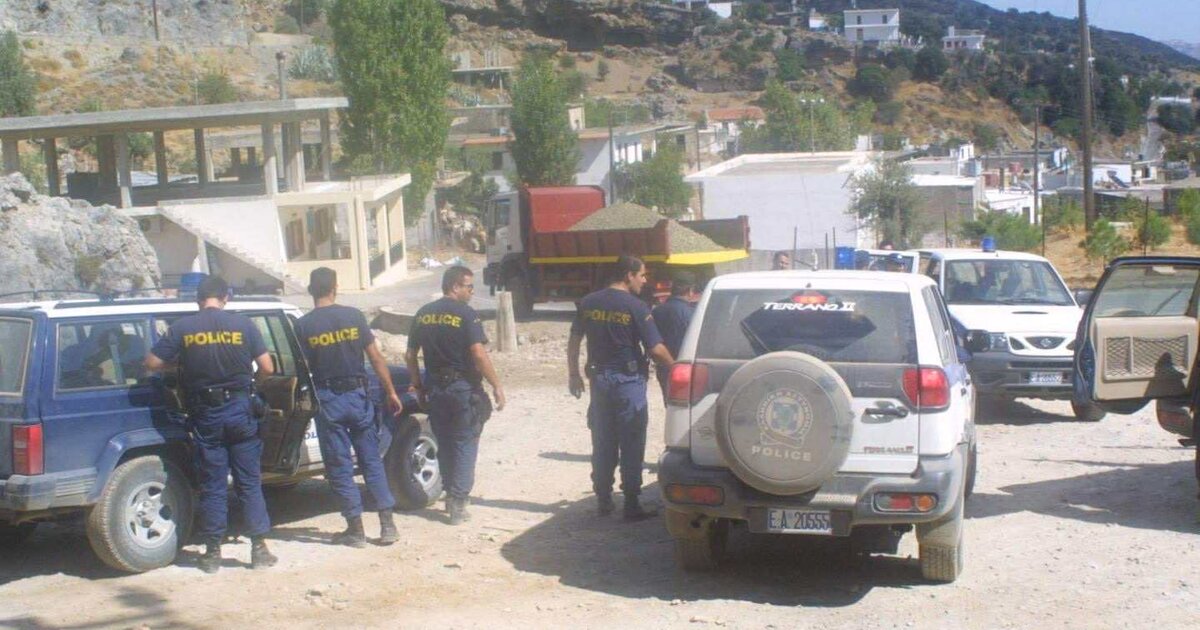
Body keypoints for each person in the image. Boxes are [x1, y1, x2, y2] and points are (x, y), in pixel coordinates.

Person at [144, 276, 278, 573]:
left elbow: (151, 363)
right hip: (240, 410)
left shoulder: (183, 328)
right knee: (249, 481)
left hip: (206, 414)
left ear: (198, 299)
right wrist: (253, 385)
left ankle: (212, 553)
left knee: (213, 484)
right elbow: (268, 367)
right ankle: (259, 549)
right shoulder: (243, 325)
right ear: (225, 297)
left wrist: (182, 364)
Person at [295, 268, 402, 548]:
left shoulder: (304, 325)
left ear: (311, 290)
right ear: (335, 288)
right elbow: (376, 358)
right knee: (371, 460)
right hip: (358, 396)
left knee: (339, 465)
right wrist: (391, 391)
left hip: (328, 399)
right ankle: (387, 525)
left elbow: (301, 368)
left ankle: (355, 530)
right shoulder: (354, 316)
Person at [568, 255, 673, 520]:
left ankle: (603, 499)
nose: (644, 281)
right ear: (629, 275)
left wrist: (573, 374)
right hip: (628, 383)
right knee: (631, 441)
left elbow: (575, 339)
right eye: (642, 275)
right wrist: (677, 367)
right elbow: (655, 349)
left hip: (600, 381)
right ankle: (631, 502)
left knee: (603, 440)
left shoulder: (589, 302)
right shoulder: (636, 306)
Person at [406, 266, 506, 525]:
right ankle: (458, 503)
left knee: (445, 442)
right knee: (465, 441)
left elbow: (410, 355)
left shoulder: (423, 313)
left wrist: (418, 386)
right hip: (462, 388)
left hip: (435, 389)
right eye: (469, 286)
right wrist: (496, 385)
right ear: (455, 286)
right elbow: (478, 353)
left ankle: (451, 493)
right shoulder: (466, 314)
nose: (472, 291)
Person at [652, 271, 701, 404]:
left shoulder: (656, 311)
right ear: (690, 291)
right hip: (686, 368)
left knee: (670, 405)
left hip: (663, 367)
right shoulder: (692, 314)